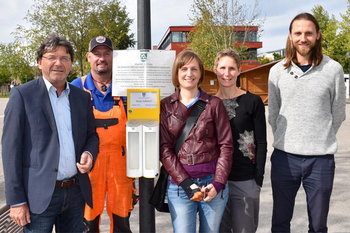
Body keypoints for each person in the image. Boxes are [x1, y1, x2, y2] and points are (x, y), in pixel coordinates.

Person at [1, 33, 99, 232]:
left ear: (71, 64)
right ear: (39, 62)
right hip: (38, 196)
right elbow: (10, 150)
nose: (58, 63)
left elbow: (92, 135)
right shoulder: (22, 95)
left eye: (64, 58)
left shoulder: (81, 97)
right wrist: (17, 201)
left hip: (75, 192)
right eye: (51, 57)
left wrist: (89, 153)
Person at [268, 13, 346, 232]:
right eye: (298, 33)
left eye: (308, 33)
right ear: (291, 37)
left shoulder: (333, 70)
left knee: (319, 225)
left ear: (318, 36)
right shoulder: (277, 71)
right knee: (280, 223)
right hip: (284, 158)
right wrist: (287, 138)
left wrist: (319, 137)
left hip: (321, 161)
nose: (303, 38)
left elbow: (338, 113)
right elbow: (273, 114)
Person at [160, 50, 234, 233]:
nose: (189, 73)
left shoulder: (214, 104)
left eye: (194, 69)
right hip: (180, 186)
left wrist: (218, 183)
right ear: (177, 73)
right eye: (184, 68)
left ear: (200, 73)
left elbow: (226, 146)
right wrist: (187, 185)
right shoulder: (165, 106)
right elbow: (164, 149)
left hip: (212, 184)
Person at [71, 36, 136, 233]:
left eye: (106, 53)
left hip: (122, 164)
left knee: (122, 222)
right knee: (88, 222)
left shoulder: (127, 86)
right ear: (89, 57)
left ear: (113, 57)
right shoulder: (76, 87)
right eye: (97, 54)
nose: (102, 58)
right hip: (89, 166)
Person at [214, 48, 267, 233]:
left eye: (231, 68)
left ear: (239, 70)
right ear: (215, 69)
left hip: (246, 179)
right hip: (215, 181)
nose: (226, 73)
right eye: (222, 68)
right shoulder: (208, 103)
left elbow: (261, 141)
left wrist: (258, 178)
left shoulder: (253, 101)